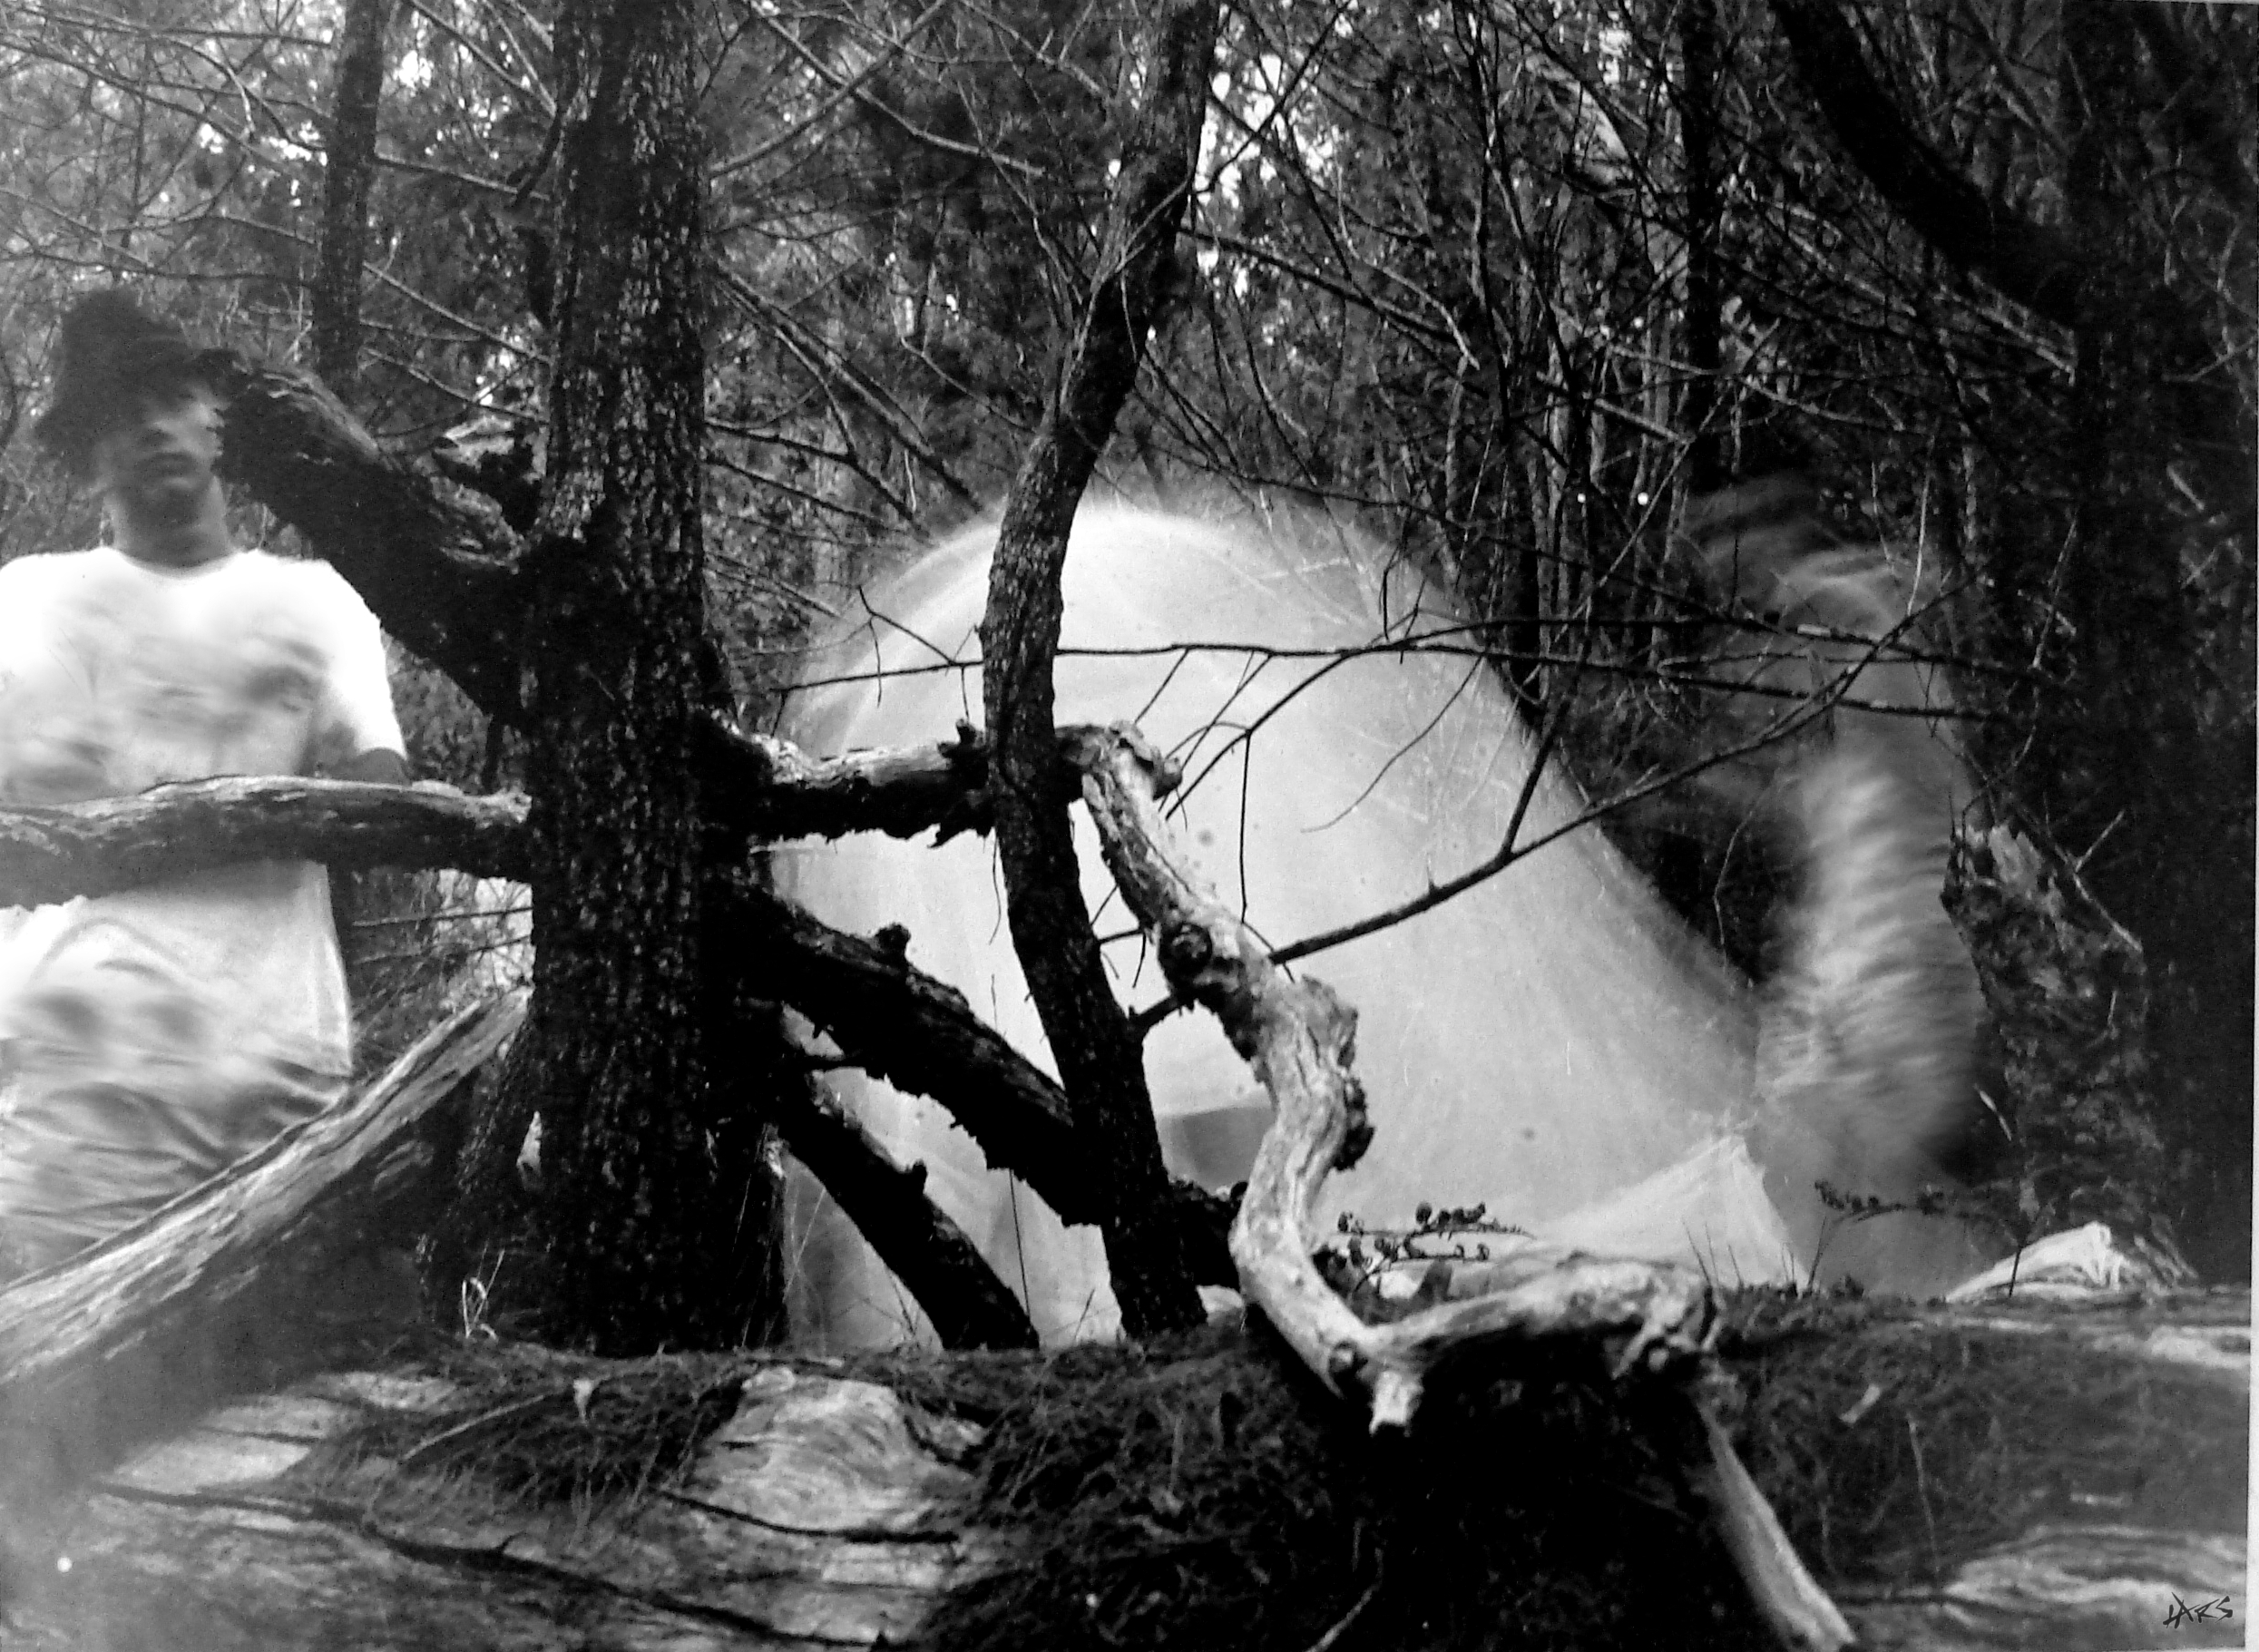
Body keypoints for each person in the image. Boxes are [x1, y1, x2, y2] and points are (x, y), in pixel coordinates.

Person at [0, 290, 408, 1276]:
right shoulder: (28, 601)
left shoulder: (317, 601)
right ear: (87, 457)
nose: (152, 425)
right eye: (118, 412)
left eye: (173, 397)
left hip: (278, 1082)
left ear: (218, 417)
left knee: (313, 1362)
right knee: (61, 1358)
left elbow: (383, 791)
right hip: (82, 1091)